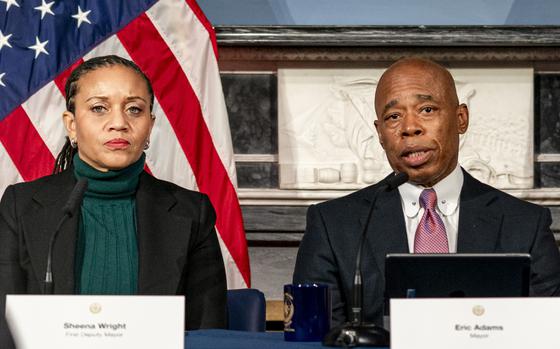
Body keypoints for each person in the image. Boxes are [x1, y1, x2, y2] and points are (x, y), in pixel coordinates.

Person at [293, 57, 560, 327]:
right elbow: (314, 338)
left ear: (461, 119)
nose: (410, 128)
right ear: (380, 134)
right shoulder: (333, 225)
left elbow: (547, 331)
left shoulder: (526, 225)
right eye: (393, 116)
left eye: (427, 109)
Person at [0, 55, 227, 347]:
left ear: (150, 125)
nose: (119, 123)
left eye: (134, 109)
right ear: (71, 125)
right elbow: (3, 329)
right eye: (99, 108)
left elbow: (207, 333)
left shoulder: (192, 213)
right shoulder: (20, 205)